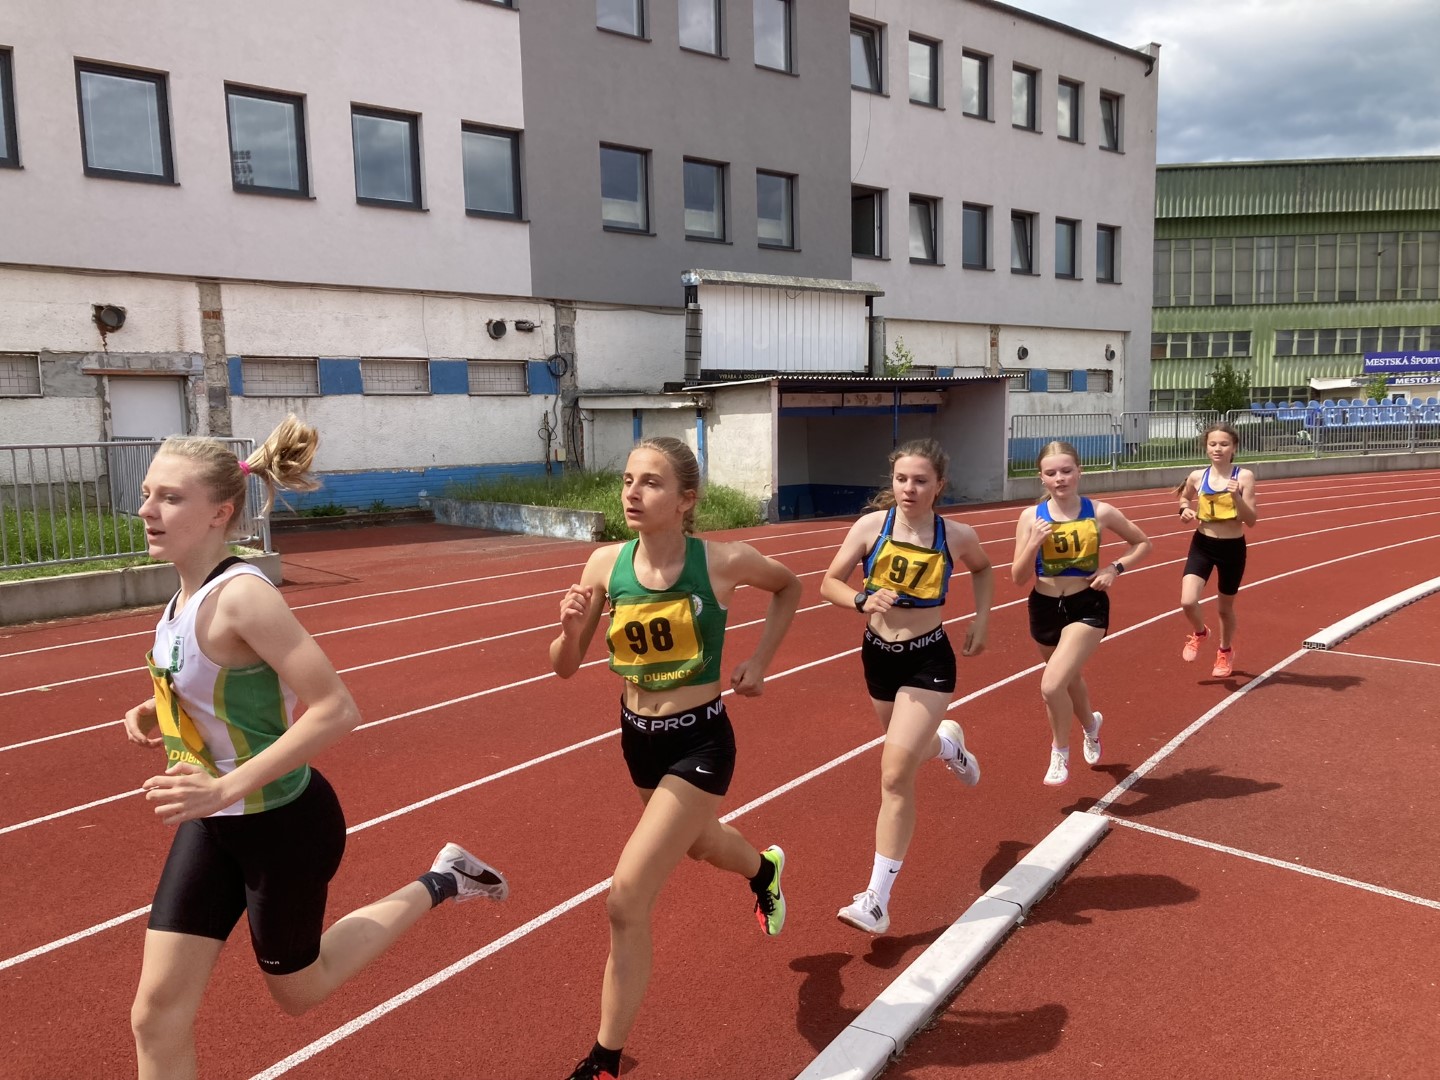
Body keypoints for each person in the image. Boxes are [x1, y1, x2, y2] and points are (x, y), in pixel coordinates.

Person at [122, 418, 507, 1080]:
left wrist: (222, 787)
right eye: (147, 494)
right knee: (155, 1016)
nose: (147, 510)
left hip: (283, 826)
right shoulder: (183, 593)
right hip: (215, 823)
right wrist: (158, 709)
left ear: (219, 512)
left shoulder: (243, 597)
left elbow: (336, 709)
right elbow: (216, 679)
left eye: (170, 497)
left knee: (300, 992)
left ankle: (444, 879)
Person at [549, 436, 801, 1080]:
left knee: (625, 898)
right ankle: (764, 871)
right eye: (628, 480)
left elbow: (788, 587)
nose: (632, 493)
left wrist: (760, 661)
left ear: (687, 499)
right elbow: (564, 667)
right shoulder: (605, 564)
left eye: (651, 482)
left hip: (700, 741)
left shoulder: (722, 561)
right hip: (637, 738)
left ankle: (604, 1061)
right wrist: (570, 627)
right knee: (701, 844)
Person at [818, 438, 994, 935]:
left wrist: (982, 618)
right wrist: (860, 601)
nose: (909, 488)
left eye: (920, 480)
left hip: (928, 660)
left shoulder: (955, 535)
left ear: (939, 485)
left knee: (895, 774)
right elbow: (828, 582)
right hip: (878, 657)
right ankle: (948, 746)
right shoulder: (870, 528)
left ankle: (877, 900)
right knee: (910, 752)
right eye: (901, 479)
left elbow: (984, 569)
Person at [1011, 441, 1151, 786]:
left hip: (1087, 605)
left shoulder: (1100, 512)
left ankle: (1059, 751)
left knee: (1051, 685)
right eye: (1051, 473)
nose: (1059, 478)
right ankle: (1091, 725)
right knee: (1069, 678)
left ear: (1079, 472)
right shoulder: (1030, 517)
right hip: (1044, 607)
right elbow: (1017, 577)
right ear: (1041, 478)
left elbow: (1143, 543)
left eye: (1066, 470)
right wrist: (1033, 542)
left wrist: (1114, 568)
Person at [1174, 423, 1259, 677]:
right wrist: (1184, 510)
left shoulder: (1244, 477)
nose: (1218, 449)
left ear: (1234, 448)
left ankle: (1224, 651)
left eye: (1224, 444)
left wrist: (1236, 498)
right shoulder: (1197, 476)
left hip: (1232, 548)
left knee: (1224, 608)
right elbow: (1184, 498)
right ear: (1206, 447)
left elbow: (1251, 520)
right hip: (1203, 544)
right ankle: (1200, 632)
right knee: (1187, 601)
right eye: (1213, 444)